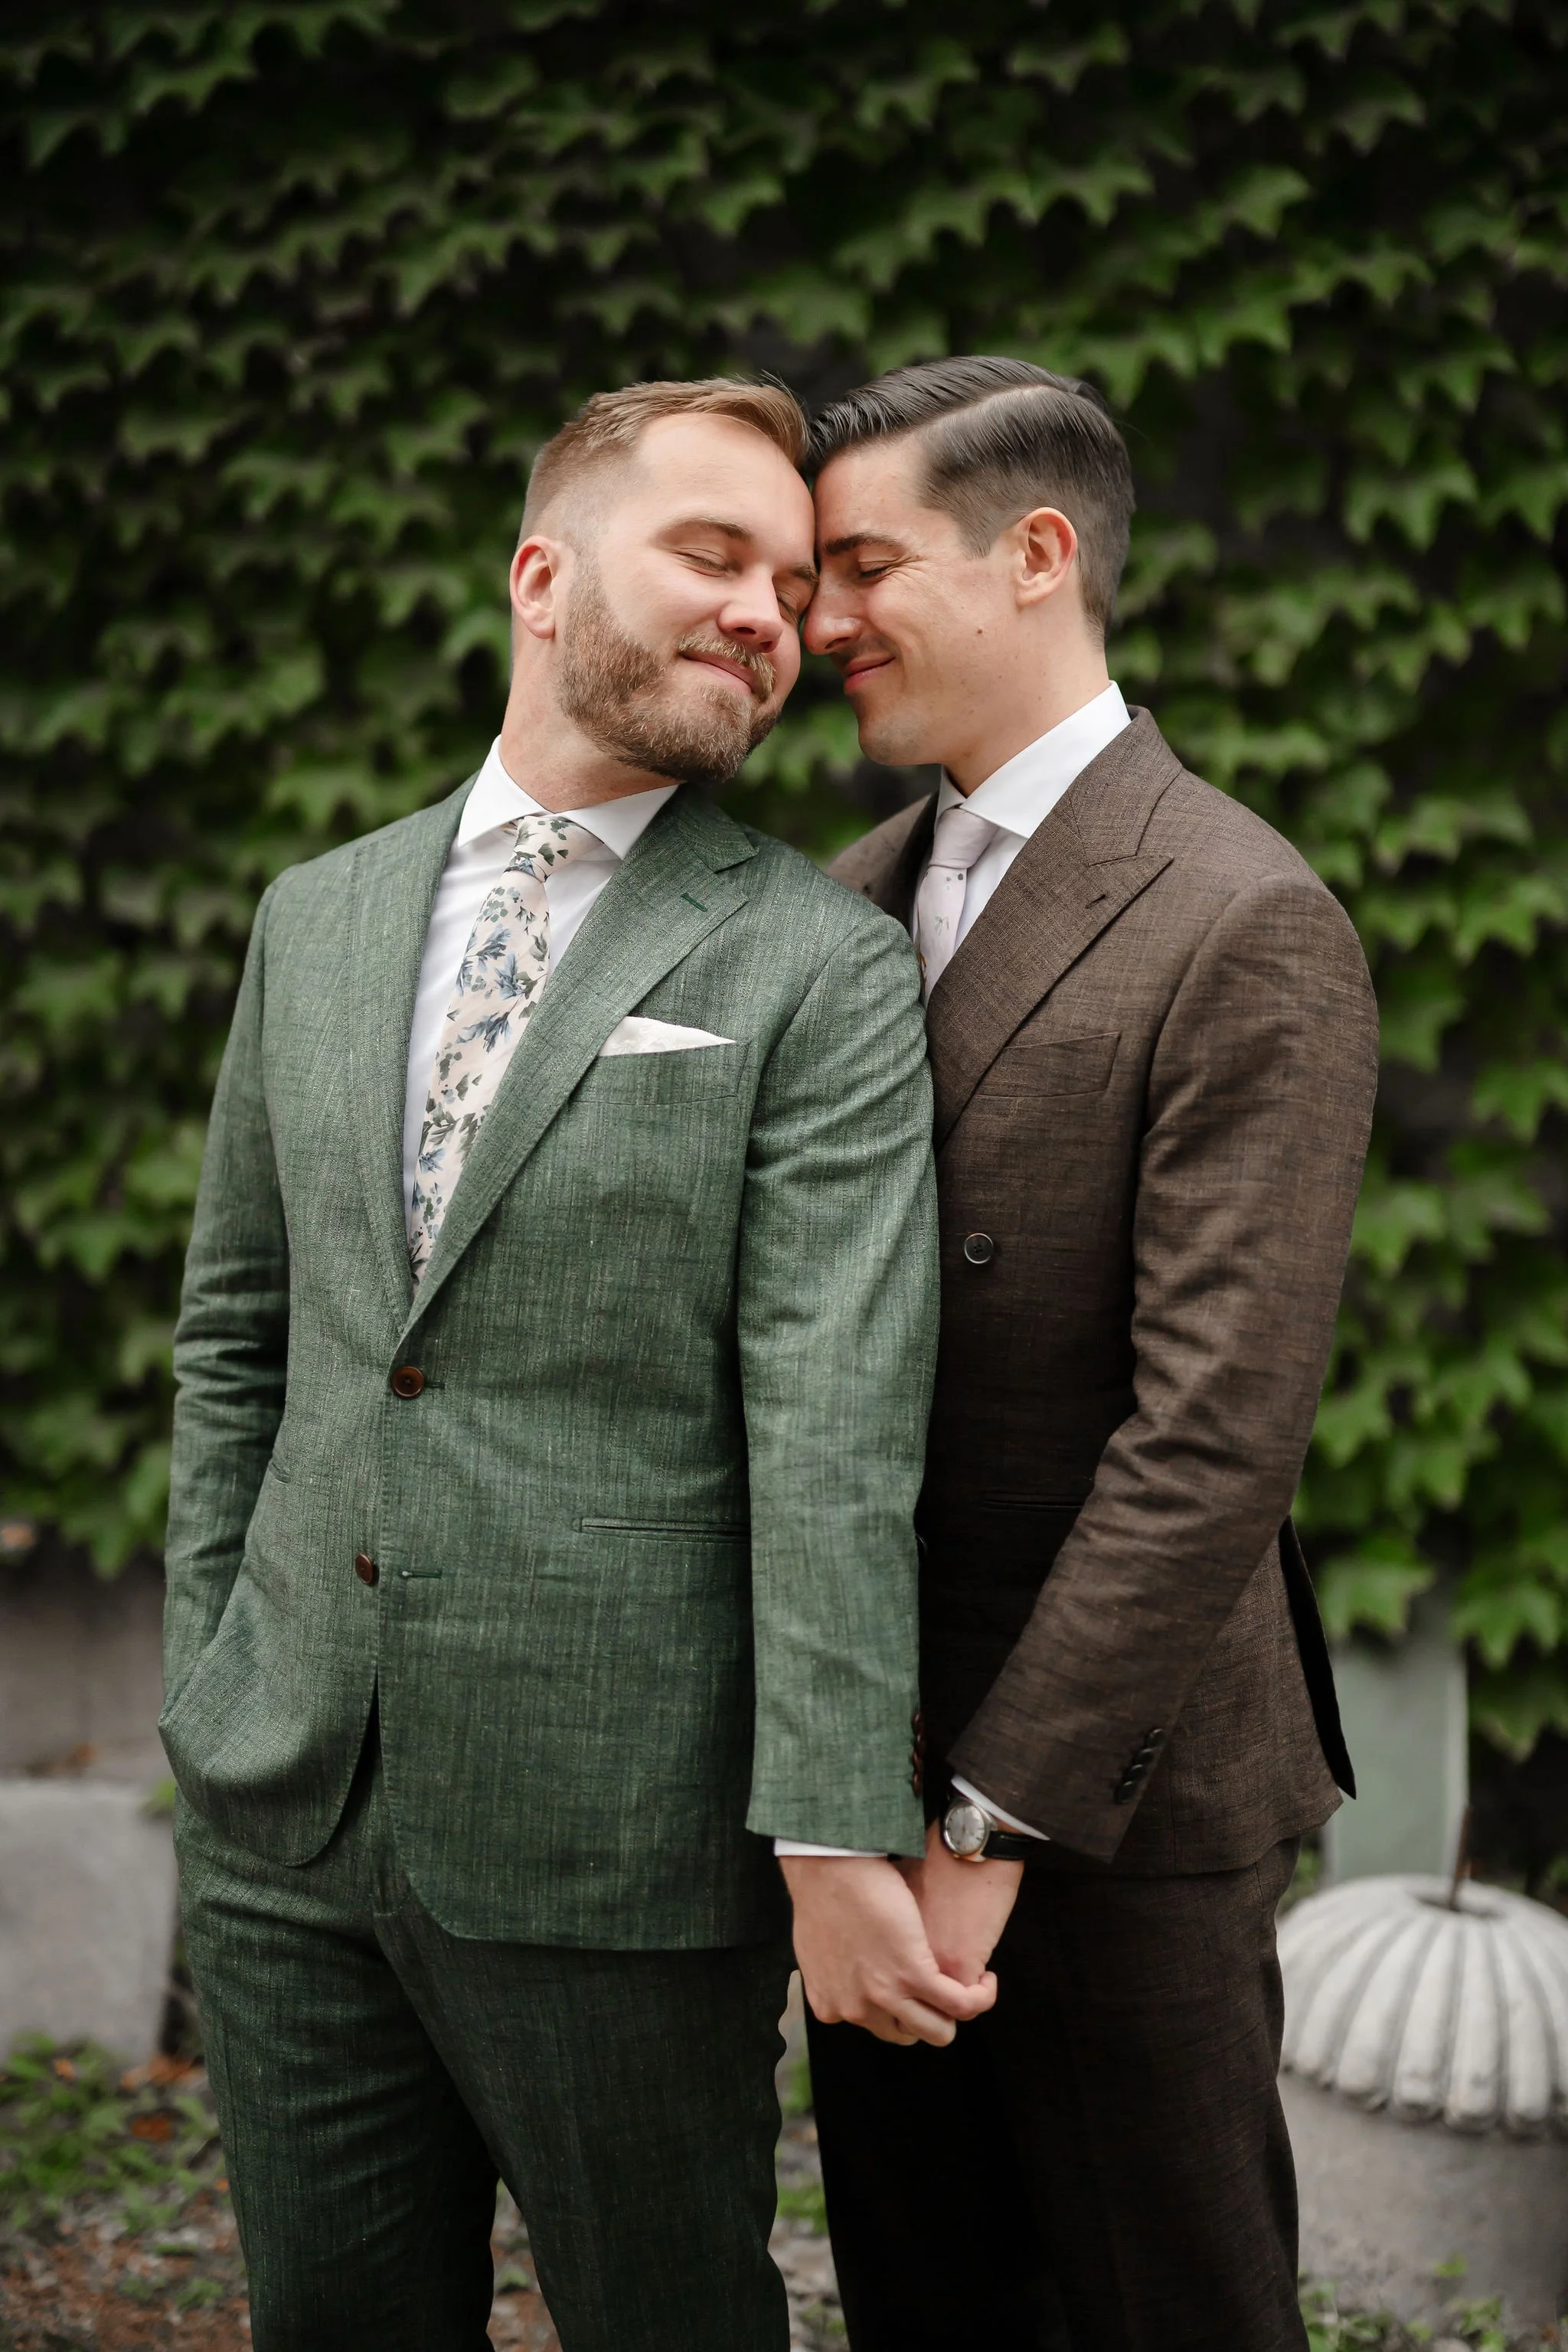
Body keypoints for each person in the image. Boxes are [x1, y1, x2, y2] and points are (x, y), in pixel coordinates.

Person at [162, 374, 990, 2352]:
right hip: (287, 1817)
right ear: (542, 575)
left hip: (621, 1849)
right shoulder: (320, 915)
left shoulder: (816, 966)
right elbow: (237, 1328)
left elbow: (834, 1418)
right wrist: (213, 1674)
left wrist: (827, 1826)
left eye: (793, 585)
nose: (764, 615)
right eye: (713, 553)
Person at [802, 357, 1380, 2352]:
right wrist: (844, 1803)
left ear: (1036, 553)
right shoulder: (845, 902)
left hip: (1112, 1805)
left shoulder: (1243, 915)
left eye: (863, 565)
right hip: (867, 1794)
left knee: (1170, 2309)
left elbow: (1212, 1438)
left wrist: (993, 1823)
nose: (815, 622)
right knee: (926, 2303)